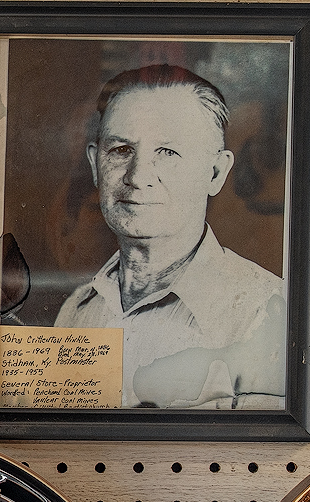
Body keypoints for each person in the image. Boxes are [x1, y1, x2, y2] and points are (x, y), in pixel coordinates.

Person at [54, 63, 285, 408]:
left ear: (216, 172)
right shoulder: (77, 309)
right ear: (94, 165)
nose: (138, 176)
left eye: (168, 152)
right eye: (121, 150)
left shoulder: (266, 314)